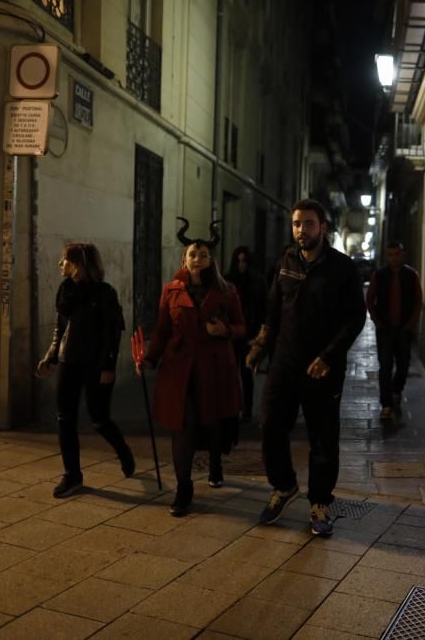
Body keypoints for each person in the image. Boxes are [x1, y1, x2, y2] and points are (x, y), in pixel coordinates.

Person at [246, 198, 366, 536]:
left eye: (309, 224)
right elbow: (272, 310)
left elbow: (355, 318)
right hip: (285, 360)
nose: (301, 230)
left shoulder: (342, 268)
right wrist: (259, 346)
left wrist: (328, 356)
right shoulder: (285, 261)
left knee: (323, 438)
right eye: (297, 224)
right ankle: (284, 486)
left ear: (323, 227)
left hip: (323, 368)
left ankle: (320, 504)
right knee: (270, 424)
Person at [136, 219, 245, 516]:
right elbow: (161, 331)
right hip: (179, 370)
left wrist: (225, 331)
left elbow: (241, 327)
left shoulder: (227, 290)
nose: (198, 260)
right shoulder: (171, 290)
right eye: (193, 255)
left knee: (211, 422)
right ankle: (184, 488)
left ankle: (215, 463)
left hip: (213, 368)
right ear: (184, 258)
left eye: (204, 255)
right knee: (181, 427)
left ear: (212, 260)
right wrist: (149, 358)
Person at [37, 243, 134, 498]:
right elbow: (60, 328)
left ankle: (123, 450)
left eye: (65, 259)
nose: (60, 263)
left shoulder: (104, 293)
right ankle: (72, 475)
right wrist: (51, 356)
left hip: (95, 364)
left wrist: (108, 366)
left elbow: (112, 334)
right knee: (65, 418)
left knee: (99, 419)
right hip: (69, 361)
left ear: (79, 263)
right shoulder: (65, 291)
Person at [365, 241, 422, 418]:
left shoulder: (411, 275)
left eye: (397, 254)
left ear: (402, 255)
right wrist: (377, 321)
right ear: (386, 255)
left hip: (404, 328)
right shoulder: (379, 275)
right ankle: (386, 404)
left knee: (403, 364)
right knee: (385, 366)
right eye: (390, 255)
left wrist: (411, 323)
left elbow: (417, 301)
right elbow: (369, 299)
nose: (393, 258)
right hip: (385, 329)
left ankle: (396, 390)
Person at [225, 245, 267, 422]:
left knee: (246, 372)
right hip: (232, 333)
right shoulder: (228, 281)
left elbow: (262, 308)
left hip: (248, 333)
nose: (241, 265)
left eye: (244, 261)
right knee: (231, 373)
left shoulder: (257, 281)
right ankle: (231, 408)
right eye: (239, 261)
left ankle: (247, 410)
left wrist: (258, 334)